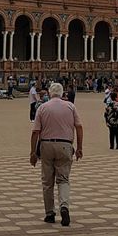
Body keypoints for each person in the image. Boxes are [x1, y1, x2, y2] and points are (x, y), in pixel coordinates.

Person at [30, 82, 83, 227]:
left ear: (49, 93)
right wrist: (79, 148)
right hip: (65, 145)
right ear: (62, 93)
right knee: (63, 180)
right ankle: (64, 206)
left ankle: (49, 213)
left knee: (47, 182)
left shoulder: (42, 107)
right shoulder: (70, 106)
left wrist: (33, 152)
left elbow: (35, 132)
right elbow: (79, 127)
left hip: (46, 144)